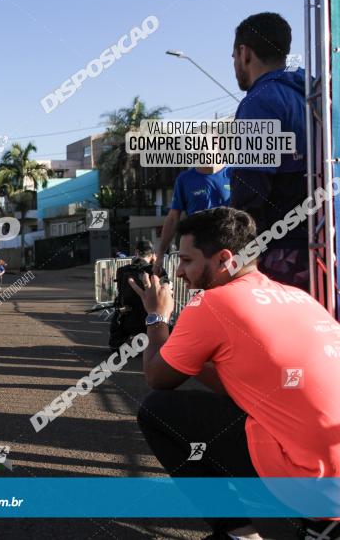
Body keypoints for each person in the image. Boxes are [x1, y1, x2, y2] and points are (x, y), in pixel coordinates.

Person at [130, 207, 340, 539]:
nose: (181, 272)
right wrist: (194, 355)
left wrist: (157, 317)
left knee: (158, 410)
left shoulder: (212, 303)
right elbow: (246, 381)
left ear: (224, 258)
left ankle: (239, 530)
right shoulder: (300, 297)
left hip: (310, 486)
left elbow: (158, 376)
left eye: (187, 260)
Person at [230, 12, 308, 290]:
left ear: (244, 53)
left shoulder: (261, 102)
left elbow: (250, 191)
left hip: (282, 255)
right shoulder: (313, 96)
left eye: (233, 57)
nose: (235, 65)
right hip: (322, 246)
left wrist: (241, 257)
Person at [153, 166, 231, 274]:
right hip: (198, 251)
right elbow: (172, 218)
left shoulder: (234, 173)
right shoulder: (184, 179)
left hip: (228, 251)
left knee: (227, 289)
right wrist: (160, 255)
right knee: (198, 289)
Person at [108, 239, 168, 352]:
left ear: (136, 252)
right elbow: (167, 291)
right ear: (152, 255)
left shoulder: (122, 271)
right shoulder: (157, 271)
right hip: (150, 320)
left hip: (126, 318)